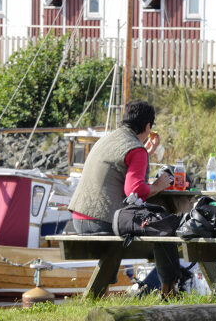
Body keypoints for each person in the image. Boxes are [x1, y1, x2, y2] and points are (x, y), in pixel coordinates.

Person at [67, 100, 180, 296]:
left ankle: (101, 291)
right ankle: (168, 291)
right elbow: (135, 191)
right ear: (147, 126)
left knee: (156, 226)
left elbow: (122, 166)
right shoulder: (136, 150)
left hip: (79, 218)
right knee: (164, 229)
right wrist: (157, 186)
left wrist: (147, 151)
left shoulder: (108, 139)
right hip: (101, 221)